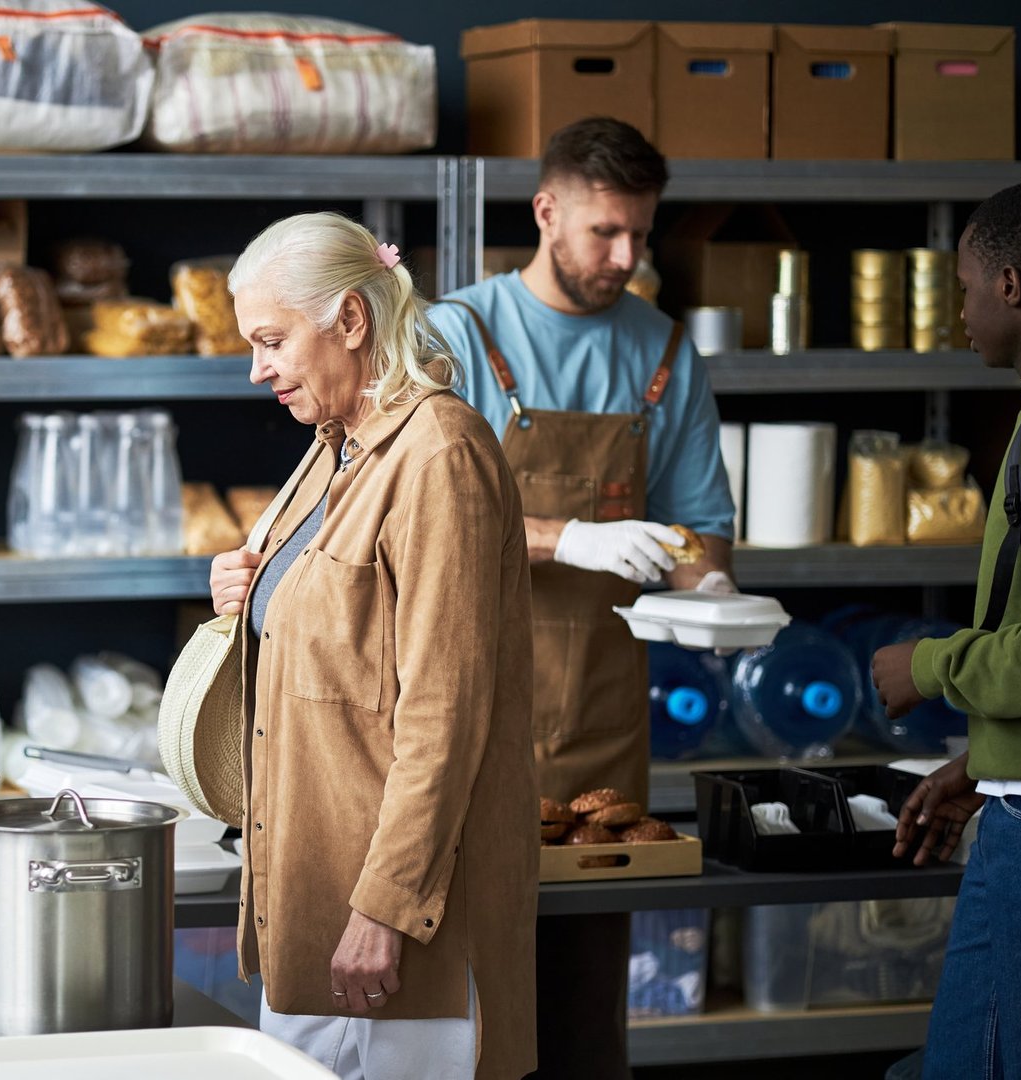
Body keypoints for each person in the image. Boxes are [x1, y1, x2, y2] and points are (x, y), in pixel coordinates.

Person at [426, 117, 736, 1080]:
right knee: (455, 997)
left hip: (601, 718)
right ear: (546, 211)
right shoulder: (454, 334)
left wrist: (711, 590)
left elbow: (698, 528)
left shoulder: (661, 348)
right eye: (604, 232)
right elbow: (419, 527)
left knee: (583, 1009)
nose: (626, 257)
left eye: (640, 233)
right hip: (462, 712)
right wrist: (572, 538)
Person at [208, 211, 537, 1080]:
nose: (257, 370)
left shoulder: (438, 456)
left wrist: (385, 910)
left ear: (350, 321)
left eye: (272, 340)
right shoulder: (333, 447)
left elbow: (444, 712)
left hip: (397, 932)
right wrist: (247, 595)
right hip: (316, 900)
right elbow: (333, 631)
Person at [873, 180, 1021, 1080]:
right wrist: (988, 761)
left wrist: (929, 667)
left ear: (1010, 285)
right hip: (1018, 805)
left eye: (967, 286)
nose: (962, 310)